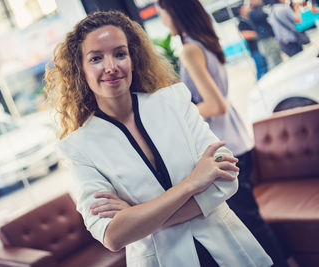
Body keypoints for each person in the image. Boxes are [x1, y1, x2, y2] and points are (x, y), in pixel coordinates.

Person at [46, 10, 273, 267]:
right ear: (81, 69)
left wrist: (137, 214)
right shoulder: (78, 146)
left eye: (120, 53)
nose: (111, 67)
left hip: (230, 250)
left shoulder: (174, 100)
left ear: (133, 58)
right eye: (96, 58)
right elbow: (113, 235)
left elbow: (226, 181)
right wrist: (192, 183)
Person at [156, 0, 290, 266]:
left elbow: (214, 104)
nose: (162, 22)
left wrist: (177, 114)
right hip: (238, 138)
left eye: (162, 14)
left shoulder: (190, 50)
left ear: (174, 13)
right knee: (252, 219)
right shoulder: (206, 41)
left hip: (223, 147)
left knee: (249, 223)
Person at [249, 0, 283, 69]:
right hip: (265, 40)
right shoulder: (252, 13)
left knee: (278, 57)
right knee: (272, 60)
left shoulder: (262, 8)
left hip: (271, 37)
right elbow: (262, 16)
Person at [238, 4, 268, 80]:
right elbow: (245, 35)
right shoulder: (241, 23)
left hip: (261, 46)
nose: (247, 10)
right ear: (241, 11)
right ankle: (259, 82)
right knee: (261, 68)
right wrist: (258, 34)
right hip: (255, 50)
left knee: (266, 66)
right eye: (245, 9)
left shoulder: (251, 19)